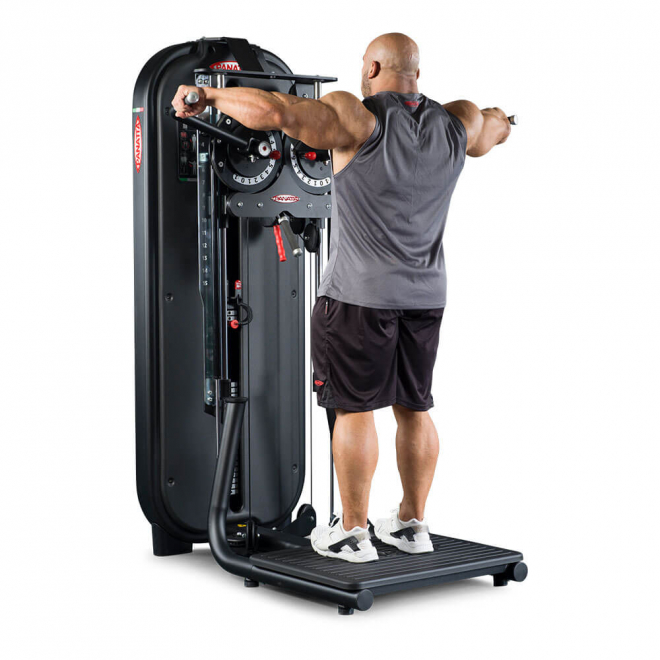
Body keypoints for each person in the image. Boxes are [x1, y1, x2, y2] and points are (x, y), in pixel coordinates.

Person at [172, 32, 513, 563]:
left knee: (353, 410)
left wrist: (208, 96)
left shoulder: (357, 118)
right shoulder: (458, 122)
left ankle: (352, 532)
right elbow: (495, 125)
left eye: (363, 67)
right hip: (426, 297)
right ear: (416, 74)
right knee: (414, 408)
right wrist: (507, 120)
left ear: (372, 68)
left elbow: (278, 112)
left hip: (358, 298)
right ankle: (412, 523)